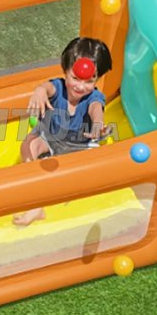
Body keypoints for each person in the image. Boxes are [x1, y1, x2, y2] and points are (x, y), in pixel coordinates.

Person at [13, 37, 113, 226]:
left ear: (97, 79)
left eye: (89, 81)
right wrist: (39, 90)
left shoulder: (94, 97)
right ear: (65, 71)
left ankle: (52, 193)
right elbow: (47, 87)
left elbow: (96, 109)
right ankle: (32, 183)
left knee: (90, 167)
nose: (80, 86)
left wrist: (98, 124)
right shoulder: (58, 87)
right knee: (29, 143)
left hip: (79, 147)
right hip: (51, 139)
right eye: (75, 78)